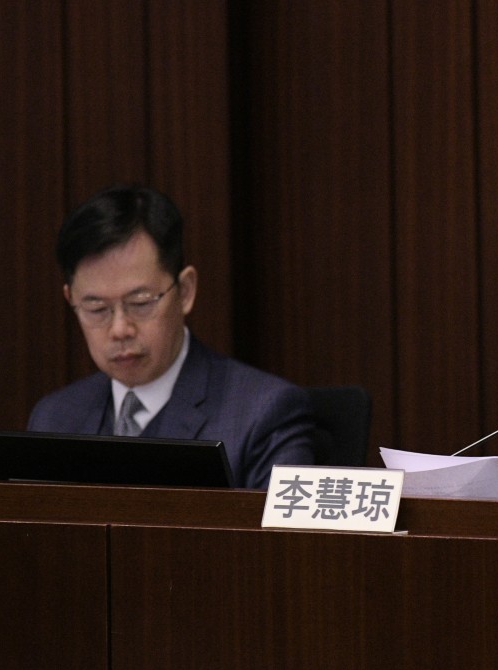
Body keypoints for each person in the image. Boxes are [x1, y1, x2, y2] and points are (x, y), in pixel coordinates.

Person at [28, 184, 316, 488]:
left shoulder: (263, 414)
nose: (120, 329)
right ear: (70, 299)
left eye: (140, 303)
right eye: (96, 308)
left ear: (186, 292)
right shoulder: (54, 418)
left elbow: (279, 537)